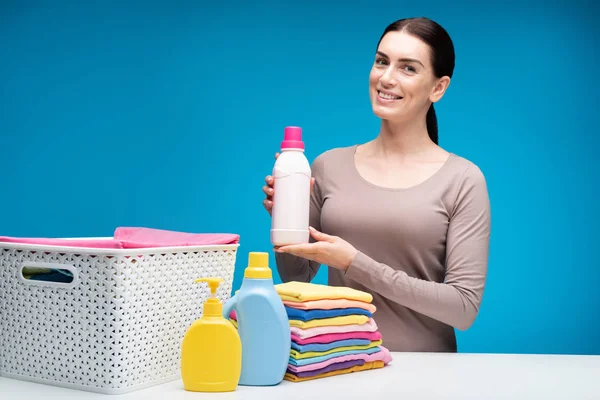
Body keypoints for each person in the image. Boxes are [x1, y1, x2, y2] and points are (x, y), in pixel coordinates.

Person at [262, 17, 491, 352]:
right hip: (336, 362)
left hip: (427, 373)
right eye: (382, 61)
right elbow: (297, 279)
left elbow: (463, 308)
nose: (386, 77)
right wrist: (286, 220)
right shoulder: (328, 165)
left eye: (408, 68)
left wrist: (354, 263)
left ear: (438, 88)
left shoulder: (463, 179)